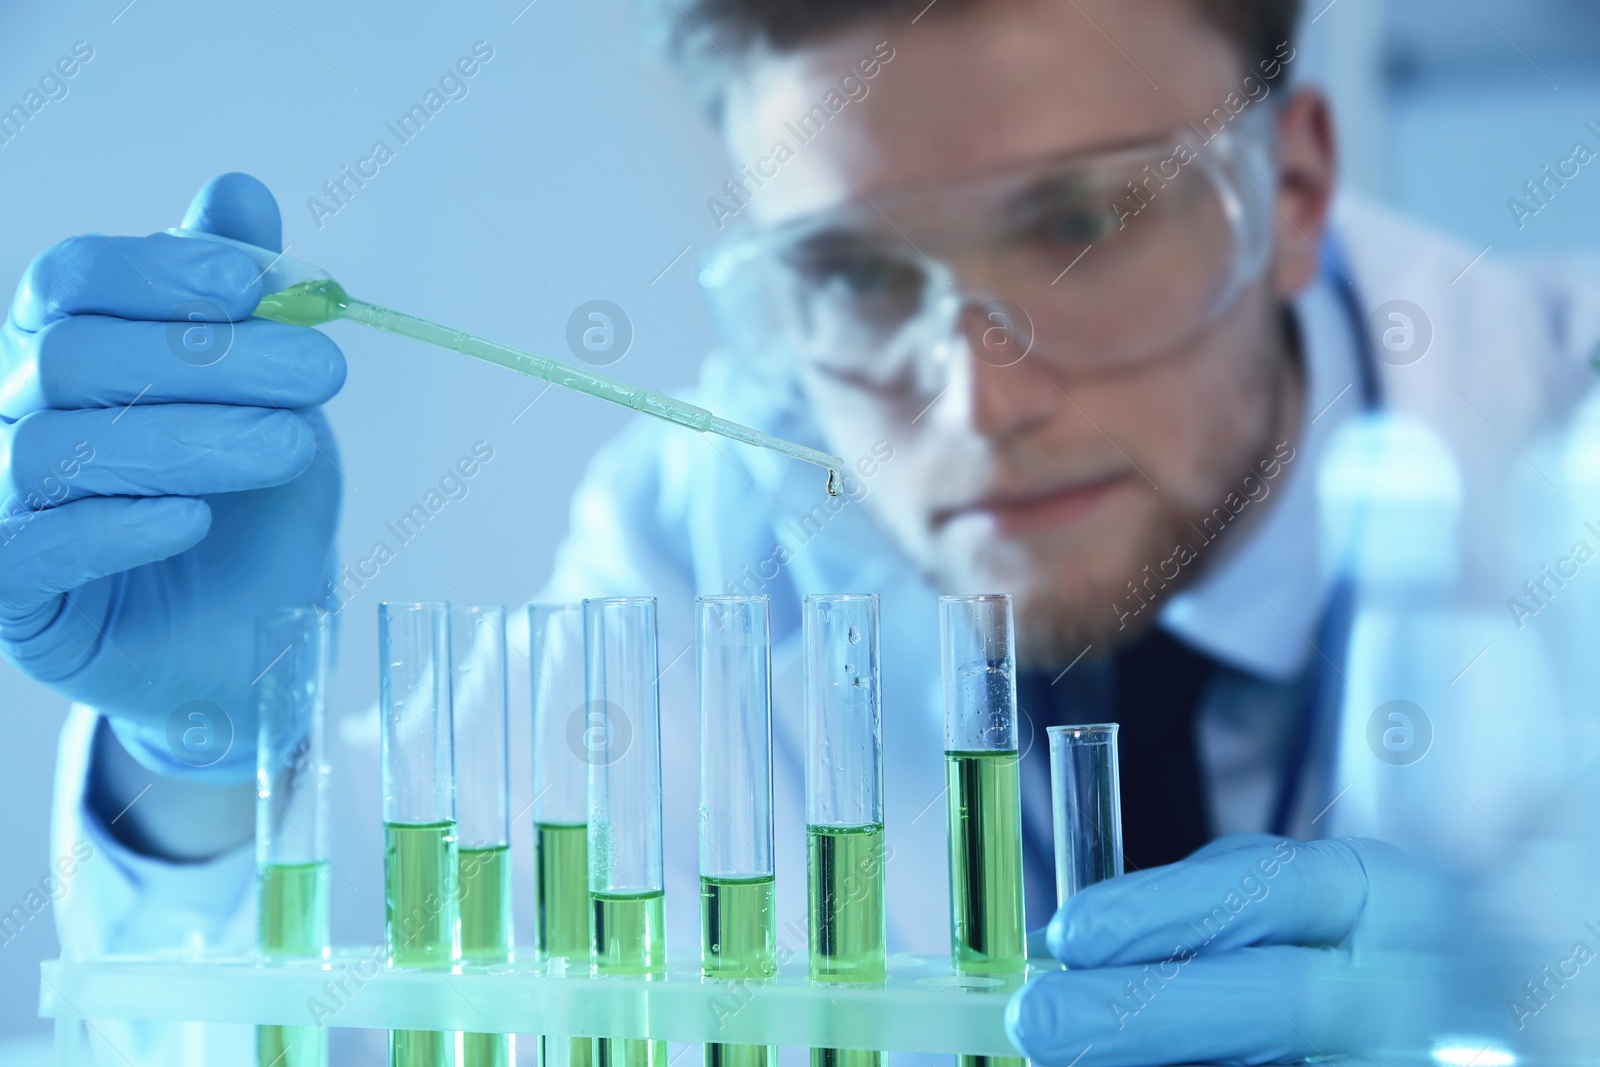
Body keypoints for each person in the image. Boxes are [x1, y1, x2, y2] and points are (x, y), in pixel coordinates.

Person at [5, 0, 1599, 1062]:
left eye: (1085, 224)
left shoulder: (1569, 439)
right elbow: (326, 998)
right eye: (851, 277)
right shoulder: (705, 542)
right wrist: (205, 763)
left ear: (1299, 189)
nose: (975, 404)